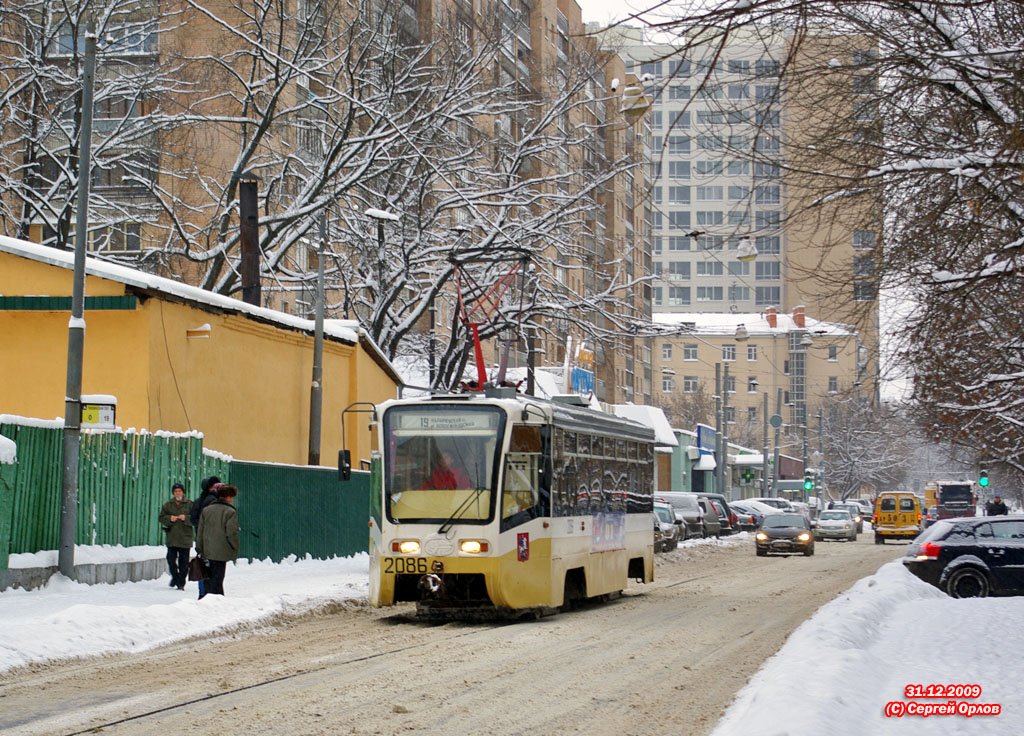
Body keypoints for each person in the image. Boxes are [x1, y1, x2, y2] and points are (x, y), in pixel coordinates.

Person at [196, 484, 239, 597]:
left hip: (206, 551)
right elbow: (231, 533)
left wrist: (199, 548)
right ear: (228, 497)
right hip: (221, 552)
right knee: (218, 579)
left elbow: (200, 532)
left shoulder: (206, 510)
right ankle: (217, 601)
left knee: (208, 578)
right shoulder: (230, 512)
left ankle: (206, 598)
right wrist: (235, 547)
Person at [190, 476, 222, 598]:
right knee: (211, 566)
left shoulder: (199, 501)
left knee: (202, 565)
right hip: (210, 539)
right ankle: (209, 593)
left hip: (201, 538)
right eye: (215, 486)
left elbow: (193, 519)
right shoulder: (213, 501)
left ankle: (202, 592)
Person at [159, 482, 193, 590]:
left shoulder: (190, 505)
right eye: (175, 491)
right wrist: (169, 519)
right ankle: (175, 577)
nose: (177, 493)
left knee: (184, 562)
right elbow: (161, 518)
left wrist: (186, 518)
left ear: (183, 492)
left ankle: (181, 582)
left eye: (179, 491)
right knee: (171, 559)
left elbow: (196, 518)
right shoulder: (168, 505)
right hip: (172, 537)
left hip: (185, 538)